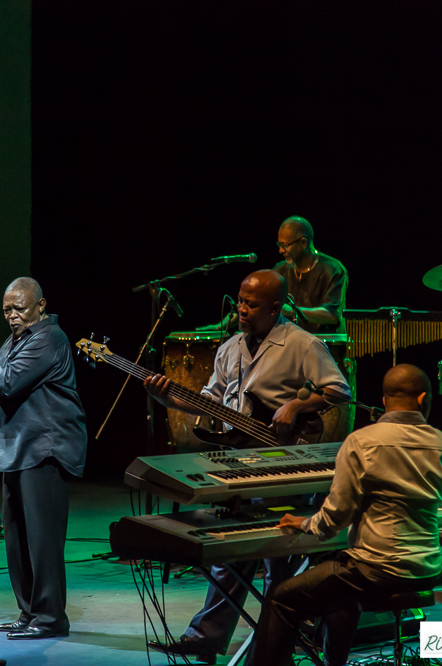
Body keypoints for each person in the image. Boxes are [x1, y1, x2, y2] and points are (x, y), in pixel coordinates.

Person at [144, 270, 351, 665]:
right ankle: (206, 638)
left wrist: (296, 405)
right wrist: (169, 400)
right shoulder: (230, 348)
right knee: (231, 550)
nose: (241, 309)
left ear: (276, 308)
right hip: (240, 461)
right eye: (240, 300)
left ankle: (273, 649)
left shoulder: (302, 343)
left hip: (284, 462)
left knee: (280, 563)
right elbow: (209, 401)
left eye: (251, 304)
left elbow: (339, 390)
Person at [244, 364, 442, 666]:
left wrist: (302, 522)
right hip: (427, 568)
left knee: (280, 596)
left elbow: (334, 519)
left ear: (383, 401)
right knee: (338, 598)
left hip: (375, 571)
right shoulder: (441, 443)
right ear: (423, 400)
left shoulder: (362, 441)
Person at [0, 277, 87, 640]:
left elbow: (7, 382)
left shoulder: (50, 338)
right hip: (18, 449)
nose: (12, 316)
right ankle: (30, 613)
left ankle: (52, 619)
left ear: (40, 305)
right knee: (17, 539)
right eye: (6, 310)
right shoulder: (15, 341)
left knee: (42, 541)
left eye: (19, 308)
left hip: (43, 449)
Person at [273, 216, 348, 336]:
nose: (281, 251)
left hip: (324, 347)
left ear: (304, 242)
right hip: (291, 344)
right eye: (279, 245)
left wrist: (292, 312)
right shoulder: (280, 270)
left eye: (285, 245)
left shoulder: (333, 269)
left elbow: (332, 315)